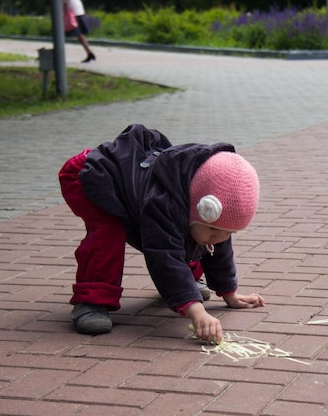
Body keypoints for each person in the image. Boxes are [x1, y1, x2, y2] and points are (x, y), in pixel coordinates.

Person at [58, 124, 266, 344]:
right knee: (111, 231)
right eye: (215, 230)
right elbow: (163, 253)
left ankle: (184, 283)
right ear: (201, 208)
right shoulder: (164, 203)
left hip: (138, 186)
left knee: (193, 234)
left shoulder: (211, 215)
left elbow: (218, 248)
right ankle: (92, 300)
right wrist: (195, 310)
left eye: (229, 232)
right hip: (93, 174)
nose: (219, 238)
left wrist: (229, 293)